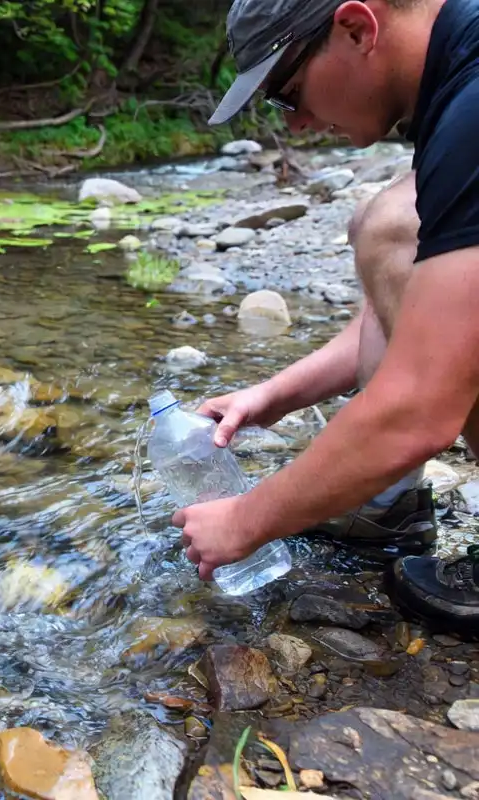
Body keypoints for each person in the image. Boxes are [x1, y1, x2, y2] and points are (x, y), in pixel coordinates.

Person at [186, 0, 479, 636]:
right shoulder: (458, 78)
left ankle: (382, 498)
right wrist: (273, 396)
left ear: (356, 28)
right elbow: (432, 311)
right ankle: (384, 504)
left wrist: (246, 521)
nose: (293, 126)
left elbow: (422, 404)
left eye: (288, 94)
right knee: (388, 226)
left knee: (393, 228)